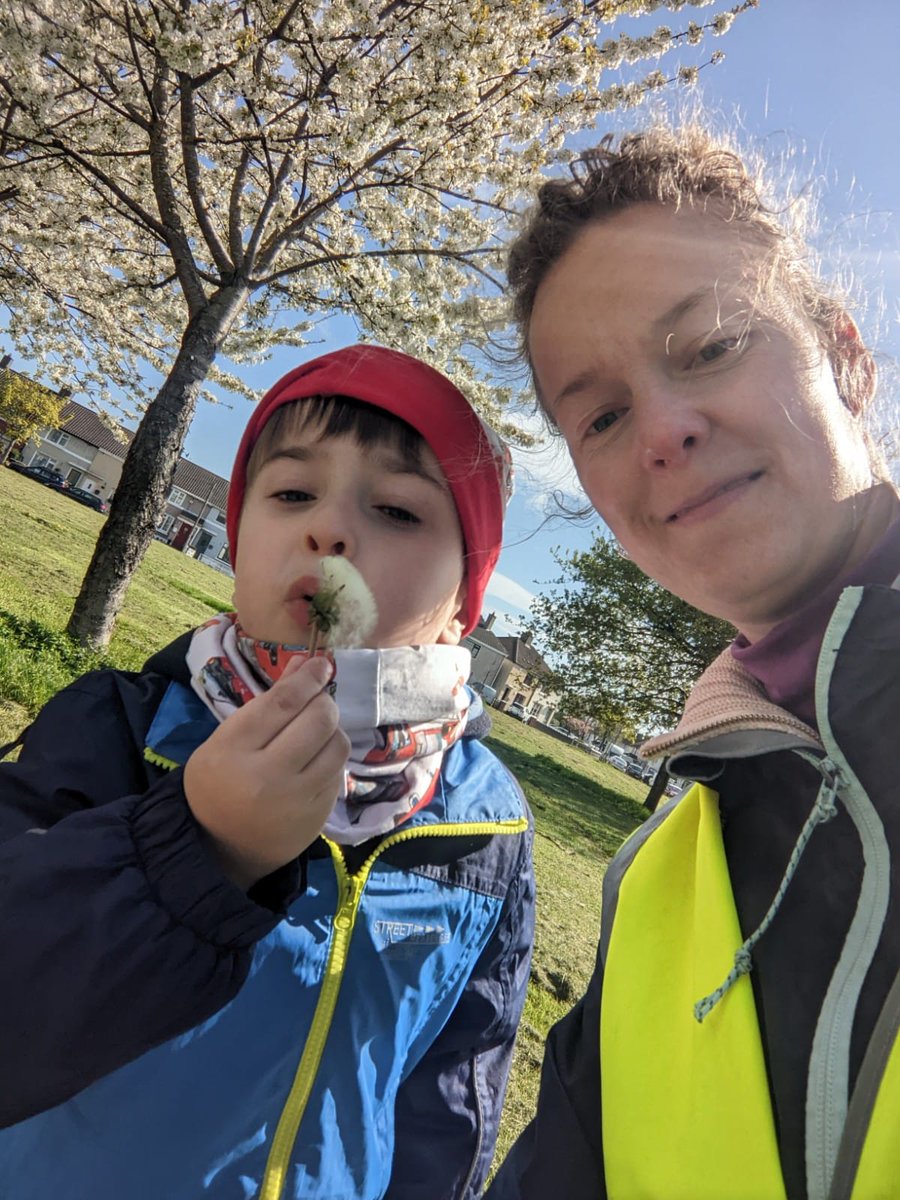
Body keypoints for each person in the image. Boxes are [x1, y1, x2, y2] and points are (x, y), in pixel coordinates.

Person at [0, 344, 534, 1200]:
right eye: (291, 493)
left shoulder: (488, 826)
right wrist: (196, 848)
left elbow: (451, 1100)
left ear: (463, 604)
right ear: (241, 540)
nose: (329, 530)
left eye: (397, 510)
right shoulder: (126, 728)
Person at [489, 127, 900, 1200]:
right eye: (604, 413)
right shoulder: (667, 868)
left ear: (849, 358)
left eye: (713, 344)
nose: (661, 431)